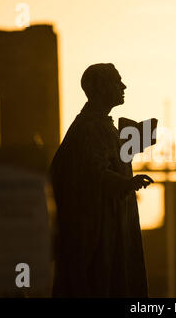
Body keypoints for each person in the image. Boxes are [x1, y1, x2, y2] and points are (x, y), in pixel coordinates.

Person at [49, 63, 154, 297]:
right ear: (99, 88)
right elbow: (92, 173)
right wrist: (126, 183)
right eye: (117, 82)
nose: (123, 86)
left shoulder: (102, 125)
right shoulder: (88, 128)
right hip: (98, 233)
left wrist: (132, 144)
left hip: (112, 225)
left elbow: (104, 161)